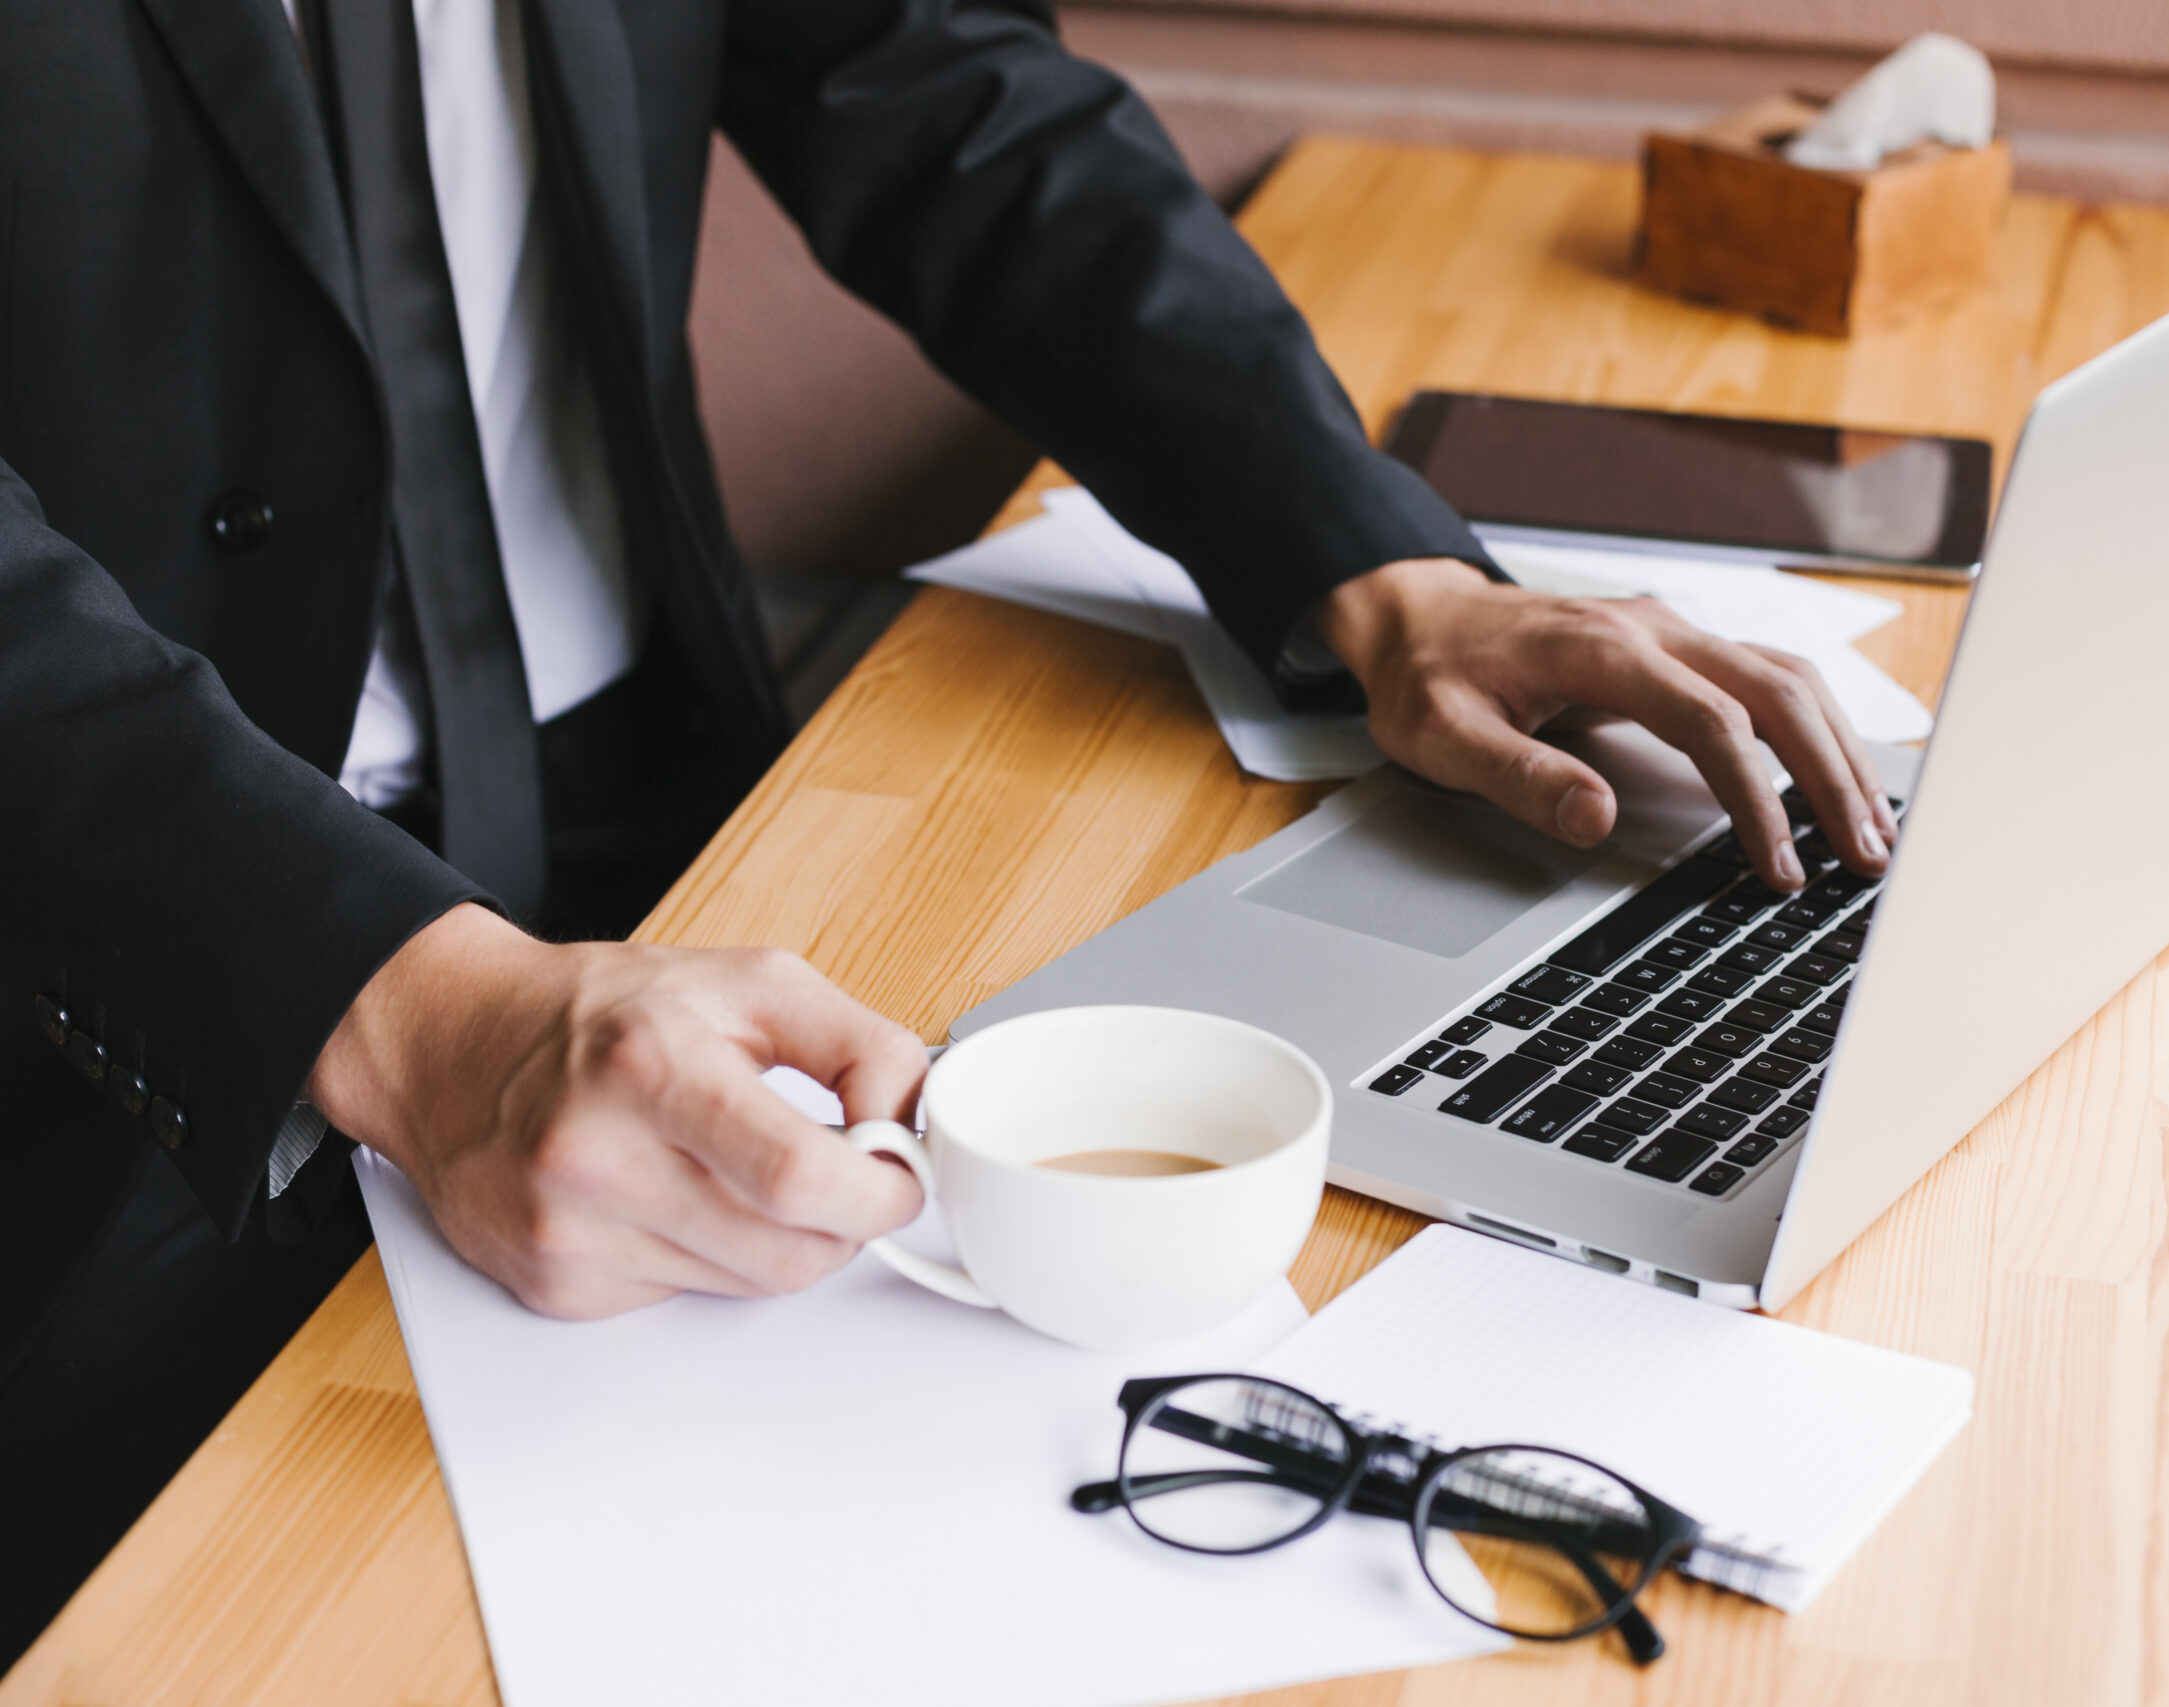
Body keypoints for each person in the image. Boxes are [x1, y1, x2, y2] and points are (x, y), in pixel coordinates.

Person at [0, 0, 1896, 1656]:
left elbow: (927, 72)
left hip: (682, 806)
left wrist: (1371, 560)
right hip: (119, 937)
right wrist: (384, 990)